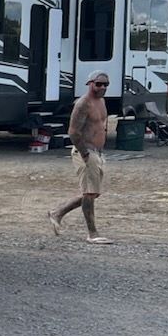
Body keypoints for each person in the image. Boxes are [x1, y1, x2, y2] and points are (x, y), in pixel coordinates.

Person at [48, 72, 114, 244]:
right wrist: (84, 153)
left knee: (93, 193)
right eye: (99, 84)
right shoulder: (83, 104)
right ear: (90, 83)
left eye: (106, 84)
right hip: (85, 152)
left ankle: (57, 213)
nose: (103, 88)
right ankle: (92, 233)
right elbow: (73, 132)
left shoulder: (102, 102)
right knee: (89, 193)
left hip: (97, 152)